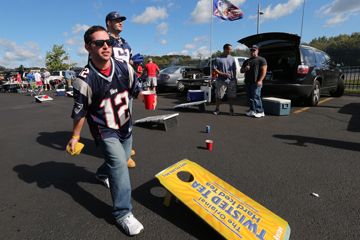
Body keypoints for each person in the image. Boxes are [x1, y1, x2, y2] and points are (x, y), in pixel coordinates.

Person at [67, 25, 144, 236]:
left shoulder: (124, 68)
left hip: (125, 123)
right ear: (87, 47)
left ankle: (102, 173)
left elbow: (135, 90)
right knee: (120, 164)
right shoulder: (84, 80)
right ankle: (122, 213)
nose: (105, 46)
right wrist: (75, 136)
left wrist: (145, 96)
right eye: (99, 43)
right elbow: (80, 112)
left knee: (121, 157)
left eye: (108, 42)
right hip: (104, 129)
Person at [105, 11, 137, 168]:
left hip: (127, 86)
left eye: (121, 20)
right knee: (117, 122)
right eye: (116, 20)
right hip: (112, 87)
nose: (120, 22)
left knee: (127, 119)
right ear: (108, 23)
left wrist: (134, 62)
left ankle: (126, 149)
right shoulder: (104, 40)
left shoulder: (125, 42)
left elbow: (128, 61)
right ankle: (121, 157)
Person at [241, 45, 267, 118]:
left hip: (256, 82)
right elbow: (241, 70)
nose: (252, 52)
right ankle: (252, 110)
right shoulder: (247, 61)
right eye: (251, 50)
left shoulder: (261, 60)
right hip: (248, 82)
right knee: (250, 98)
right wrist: (245, 69)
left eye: (254, 50)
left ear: (257, 51)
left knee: (256, 97)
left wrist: (260, 80)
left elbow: (264, 71)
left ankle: (260, 111)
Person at [212, 43, 237, 115]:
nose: (231, 51)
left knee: (231, 96)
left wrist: (234, 78)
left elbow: (234, 69)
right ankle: (217, 109)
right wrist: (223, 74)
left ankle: (231, 110)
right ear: (225, 49)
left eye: (231, 49)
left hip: (231, 80)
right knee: (219, 96)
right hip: (221, 80)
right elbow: (214, 69)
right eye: (230, 49)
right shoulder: (218, 58)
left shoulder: (232, 58)